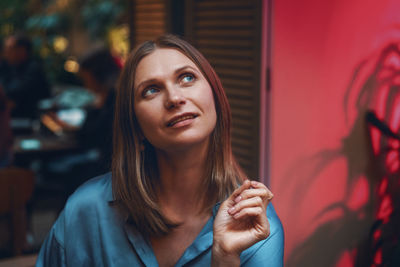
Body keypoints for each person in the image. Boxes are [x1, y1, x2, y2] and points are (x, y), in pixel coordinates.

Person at [36, 34, 284, 266]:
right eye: (151, 90)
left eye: (187, 78)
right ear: (135, 126)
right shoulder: (85, 210)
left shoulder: (256, 226)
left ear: (215, 98)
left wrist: (225, 258)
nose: (174, 98)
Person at [0, 33, 50, 118]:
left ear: (22, 50)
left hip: (30, 119)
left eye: (9, 49)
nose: (6, 53)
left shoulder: (33, 69)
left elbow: (16, 91)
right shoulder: (8, 67)